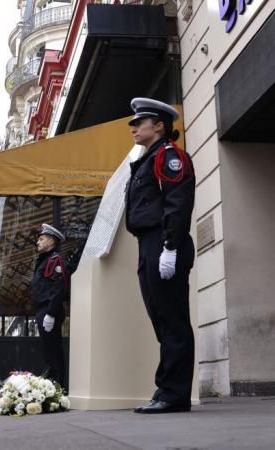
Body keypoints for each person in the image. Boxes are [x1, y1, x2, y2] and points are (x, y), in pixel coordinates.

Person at [125, 98, 195, 414]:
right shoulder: (147, 159)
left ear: (159, 126)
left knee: (173, 319)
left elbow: (177, 204)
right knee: (161, 320)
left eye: (140, 122)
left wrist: (170, 246)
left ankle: (175, 394)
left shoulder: (169, 157)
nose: (134, 128)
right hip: (148, 244)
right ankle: (166, 388)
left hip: (164, 243)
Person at [31, 224, 68, 389]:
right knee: (48, 350)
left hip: (49, 309)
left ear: (51, 241)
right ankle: (53, 384)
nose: (38, 242)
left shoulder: (55, 259)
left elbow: (58, 286)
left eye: (41, 238)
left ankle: (58, 386)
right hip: (43, 309)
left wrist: (51, 313)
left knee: (53, 350)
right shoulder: (44, 260)